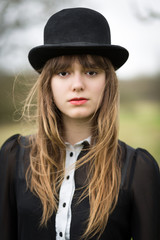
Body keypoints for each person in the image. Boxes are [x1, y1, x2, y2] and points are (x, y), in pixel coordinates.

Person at [0, 7, 159, 240]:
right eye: (63, 73)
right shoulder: (13, 157)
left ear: (108, 82)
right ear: (48, 83)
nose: (77, 84)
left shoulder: (138, 169)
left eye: (91, 72)